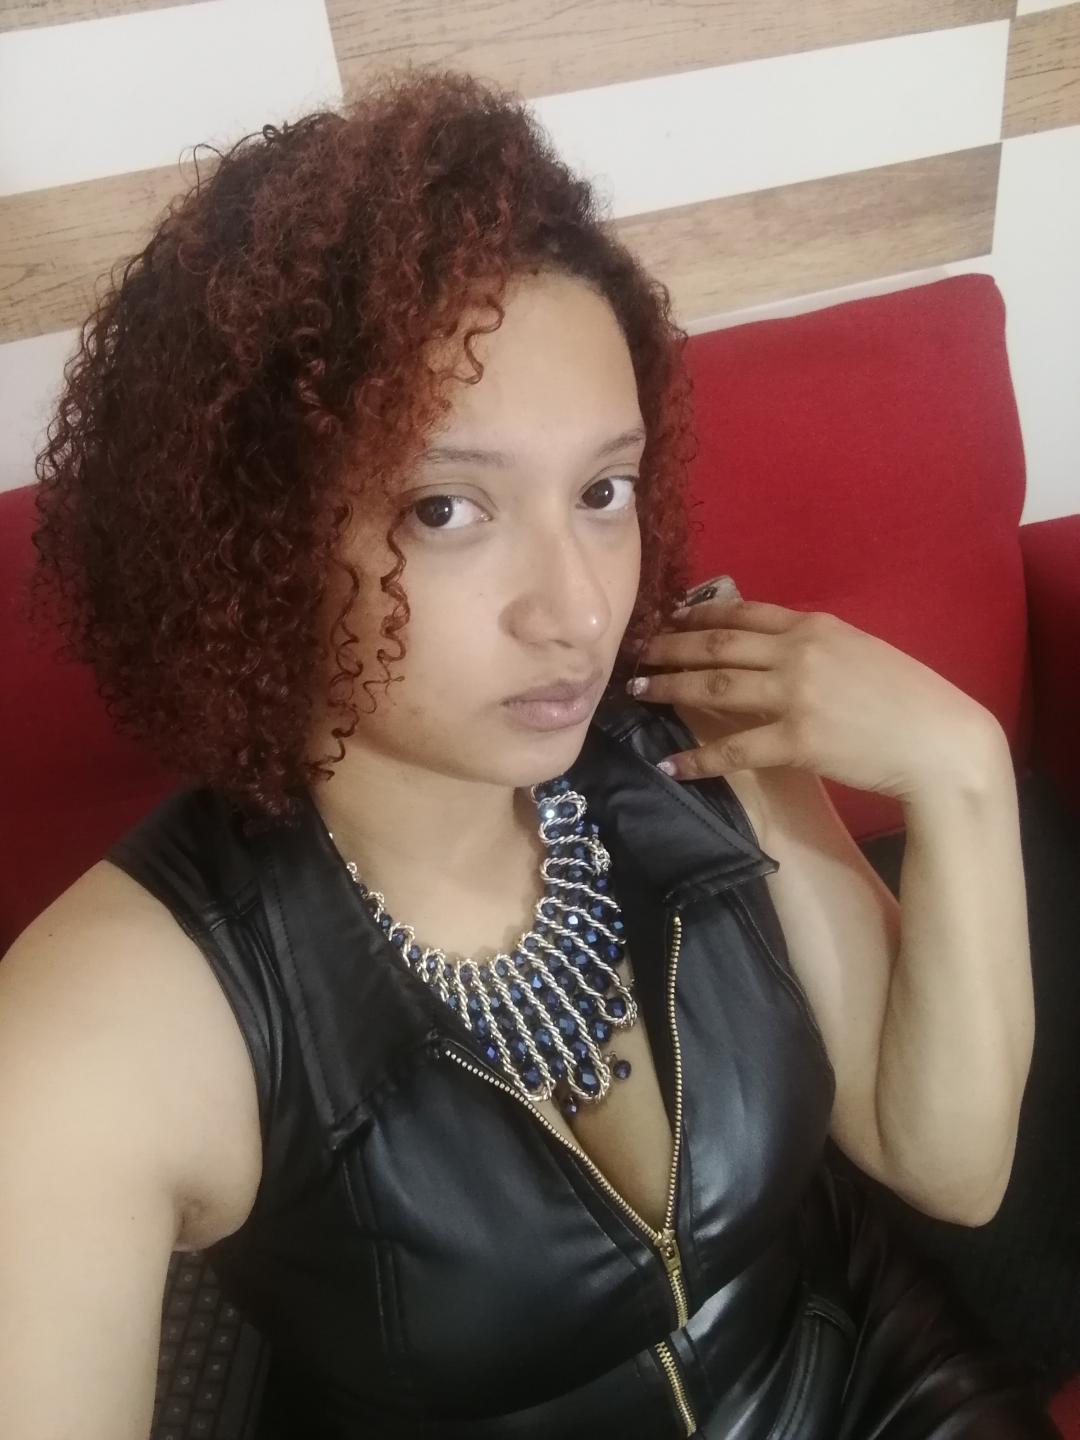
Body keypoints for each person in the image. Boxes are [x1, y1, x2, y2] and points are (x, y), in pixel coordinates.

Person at [0, 64, 1059, 1440]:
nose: (577, 611)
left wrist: (962, 771)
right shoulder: (106, 1023)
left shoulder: (695, 720)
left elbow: (949, 1167)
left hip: (875, 1385)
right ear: (255, 535)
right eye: (447, 509)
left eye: (603, 491)